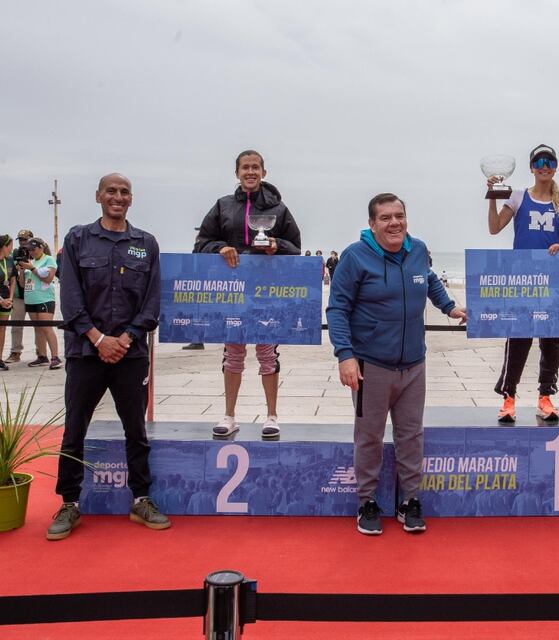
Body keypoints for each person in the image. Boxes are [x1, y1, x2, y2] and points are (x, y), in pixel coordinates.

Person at [327, 193, 466, 535]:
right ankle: (367, 502)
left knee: (411, 436)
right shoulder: (354, 257)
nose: (394, 223)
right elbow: (337, 308)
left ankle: (410, 501)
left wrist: (449, 307)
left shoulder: (417, 249)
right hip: (370, 366)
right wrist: (345, 355)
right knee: (369, 437)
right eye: (386, 217)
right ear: (372, 224)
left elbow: (428, 279)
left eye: (399, 216)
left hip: (414, 364)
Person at [47, 173, 171, 540]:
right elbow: (70, 298)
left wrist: (126, 338)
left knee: (136, 430)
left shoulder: (145, 244)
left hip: (130, 355)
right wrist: (99, 339)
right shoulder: (77, 240)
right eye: (111, 191)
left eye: (124, 192)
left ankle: (141, 498)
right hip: (85, 353)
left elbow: (151, 303)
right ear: (99, 196)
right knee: (74, 430)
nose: (118, 197)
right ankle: (69, 502)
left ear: (131, 199)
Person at [194, 149, 301, 439]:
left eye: (255, 167)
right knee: (233, 353)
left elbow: (296, 249)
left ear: (264, 172)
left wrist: (276, 245)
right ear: (237, 173)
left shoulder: (279, 209)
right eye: (245, 167)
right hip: (233, 293)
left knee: (267, 353)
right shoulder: (223, 206)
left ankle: (272, 416)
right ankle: (229, 416)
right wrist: (220, 248)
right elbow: (201, 243)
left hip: (267, 292)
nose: (250, 172)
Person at [487, 143, 559, 423]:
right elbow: (494, 228)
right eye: (539, 162)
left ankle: (545, 397)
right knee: (518, 340)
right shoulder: (517, 197)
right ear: (531, 168)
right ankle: (508, 398)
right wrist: (492, 197)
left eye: (549, 162)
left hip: (552, 282)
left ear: (555, 167)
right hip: (522, 281)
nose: (544, 167)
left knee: (551, 342)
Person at [17, 238, 61, 369]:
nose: (31, 252)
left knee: (47, 328)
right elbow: (22, 284)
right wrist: (22, 270)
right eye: (29, 250)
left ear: (41, 247)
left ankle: (55, 357)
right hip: (31, 299)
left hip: (44, 299)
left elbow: (48, 279)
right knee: (38, 329)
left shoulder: (49, 259)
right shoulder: (31, 261)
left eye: (33, 249)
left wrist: (32, 268)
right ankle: (42, 356)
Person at [4, 229, 39, 364]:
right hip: (18, 295)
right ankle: (15, 352)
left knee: (39, 326)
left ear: (31, 239)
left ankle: (40, 352)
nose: (23, 242)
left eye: (25, 239)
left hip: (34, 295)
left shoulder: (38, 253)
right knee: (16, 325)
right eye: (21, 240)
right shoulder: (14, 254)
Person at [0, 235, 15, 371]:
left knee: (2, 329)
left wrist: (10, 298)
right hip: (1, 300)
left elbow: (13, 279)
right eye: (10, 246)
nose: (12, 249)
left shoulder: (10, 260)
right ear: (4, 246)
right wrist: (1, 300)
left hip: (6, 300)